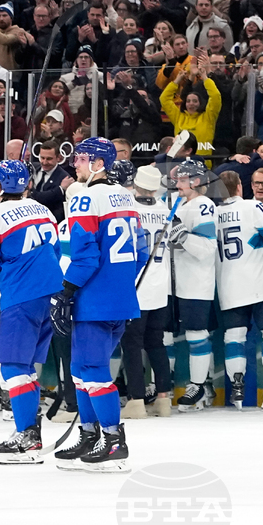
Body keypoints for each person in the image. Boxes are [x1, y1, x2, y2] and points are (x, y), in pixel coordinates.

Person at [48, 137, 146, 473]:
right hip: (120, 297)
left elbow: (86, 256)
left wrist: (64, 291)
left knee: (91, 370)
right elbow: (141, 252)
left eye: (81, 158)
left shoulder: (86, 197)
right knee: (80, 370)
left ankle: (113, 440)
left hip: (94, 298)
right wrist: (119, 282)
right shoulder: (126, 198)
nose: (74, 163)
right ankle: (90, 435)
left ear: (99, 163)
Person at [0, 160, 63, 463]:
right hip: (52, 293)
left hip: (21, 296)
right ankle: (30, 431)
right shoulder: (44, 210)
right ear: (26, 185)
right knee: (26, 368)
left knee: (12, 367)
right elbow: (57, 251)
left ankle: (27, 435)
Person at [214, 170, 263, 410]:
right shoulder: (253, 207)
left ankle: (236, 389)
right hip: (260, 283)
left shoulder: (213, 214)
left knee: (234, 337)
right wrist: (260, 242)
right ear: (240, 186)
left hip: (228, 285)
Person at [121, 166, 174, 418]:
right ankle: (163, 398)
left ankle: (136, 399)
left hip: (135, 285)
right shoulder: (165, 210)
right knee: (156, 342)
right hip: (160, 285)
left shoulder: (129, 209)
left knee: (131, 344)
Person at [166, 158, 218, 412]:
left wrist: (183, 235)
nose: (177, 183)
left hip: (196, 282)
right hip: (172, 282)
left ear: (196, 182)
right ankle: (163, 385)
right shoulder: (179, 203)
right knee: (164, 335)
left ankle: (198, 385)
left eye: (182, 179)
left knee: (196, 334)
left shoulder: (204, 205)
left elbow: (208, 248)